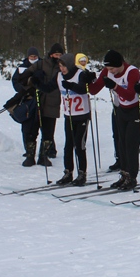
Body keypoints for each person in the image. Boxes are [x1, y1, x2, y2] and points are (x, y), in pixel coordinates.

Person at [89, 50, 140, 192]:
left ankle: (132, 177)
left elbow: (130, 95)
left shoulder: (132, 72)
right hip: (121, 109)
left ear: (120, 64)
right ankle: (124, 174)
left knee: (131, 143)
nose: (110, 72)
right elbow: (94, 90)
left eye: (112, 68)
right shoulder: (108, 71)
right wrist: (88, 79)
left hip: (137, 108)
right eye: (108, 69)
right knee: (121, 142)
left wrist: (114, 86)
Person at [17, 44, 64, 166]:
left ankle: (44, 156)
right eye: (56, 54)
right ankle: (30, 156)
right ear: (51, 54)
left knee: (48, 133)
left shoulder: (62, 67)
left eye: (60, 55)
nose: (58, 57)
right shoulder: (41, 64)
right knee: (32, 131)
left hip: (53, 103)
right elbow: (22, 78)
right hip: (37, 102)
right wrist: (33, 79)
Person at [54, 53, 95, 186]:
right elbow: (49, 87)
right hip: (69, 115)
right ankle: (68, 172)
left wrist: (71, 86)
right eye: (60, 66)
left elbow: (84, 89)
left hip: (82, 115)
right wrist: (37, 82)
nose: (62, 69)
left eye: (64, 66)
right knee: (68, 145)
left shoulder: (79, 74)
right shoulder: (59, 76)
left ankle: (82, 174)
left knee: (79, 145)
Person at [11, 47, 41, 166]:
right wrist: (23, 90)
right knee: (26, 125)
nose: (33, 58)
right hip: (26, 99)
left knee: (42, 124)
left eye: (35, 56)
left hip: (40, 98)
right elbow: (15, 81)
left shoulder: (41, 65)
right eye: (31, 57)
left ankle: (48, 150)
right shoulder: (21, 67)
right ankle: (28, 150)